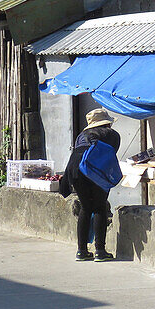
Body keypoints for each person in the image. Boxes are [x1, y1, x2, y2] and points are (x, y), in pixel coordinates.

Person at [59, 107, 120, 262]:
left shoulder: (81, 135)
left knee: (86, 207)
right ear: (107, 124)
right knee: (100, 207)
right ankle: (100, 250)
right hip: (92, 170)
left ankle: (81, 251)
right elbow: (110, 155)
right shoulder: (112, 135)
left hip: (74, 171)